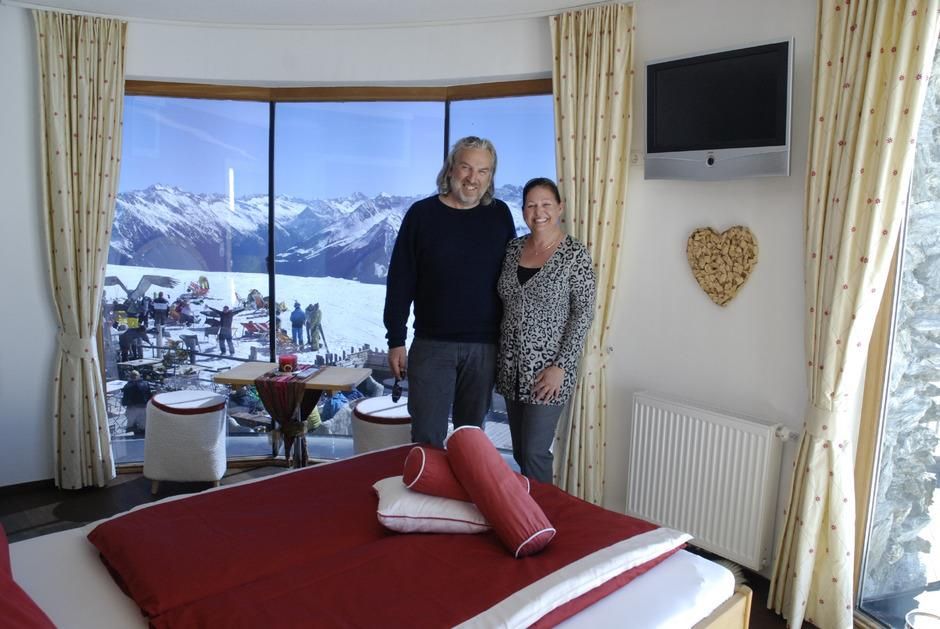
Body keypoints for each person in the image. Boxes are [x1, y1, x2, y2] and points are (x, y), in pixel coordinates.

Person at [383, 136, 516, 448]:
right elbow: (400, 280)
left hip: (484, 347)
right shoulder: (421, 215)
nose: (473, 178)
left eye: (483, 171)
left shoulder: (500, 215)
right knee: (427, 438)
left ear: (491, 176)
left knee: (471, 441)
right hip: (432, 345)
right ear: (451, 169)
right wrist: (396, 339)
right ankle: (427, 483)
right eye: (466, 167)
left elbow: (512, 280)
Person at [495, 177, 596, 483]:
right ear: (523, 210)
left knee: (535, 453)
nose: (538, 212)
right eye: (531, 205)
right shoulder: (513, 249)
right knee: (521, 452)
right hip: (511, 368)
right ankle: (527, 508)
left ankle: (544, 511)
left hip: (548, 372)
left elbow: (583, 314)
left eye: (546, 204)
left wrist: (561, 367)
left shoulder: (575, 255)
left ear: (560, 208)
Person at [121, 370, 152, 435]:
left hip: (132, 409)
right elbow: (149, 396)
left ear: (130, 377)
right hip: (144, 408)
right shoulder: (146, 384)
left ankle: (134, 431)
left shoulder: (127, 386)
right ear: (139, 376)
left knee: (132, 423)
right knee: (143, 427)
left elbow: (125, 401)